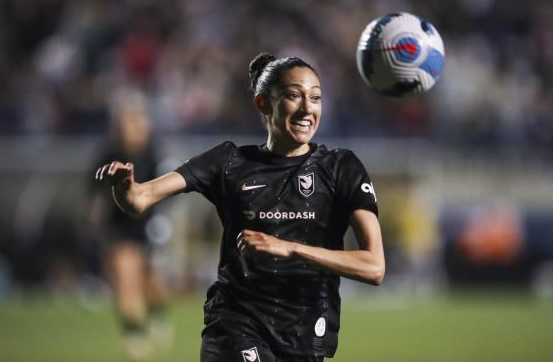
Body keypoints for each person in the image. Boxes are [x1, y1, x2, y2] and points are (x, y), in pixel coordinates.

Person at [95, 53, 385, 361]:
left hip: (305, 336)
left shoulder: (342, 168)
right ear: (263, 104)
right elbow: (139, 199)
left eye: (315, 98)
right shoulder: (229, 162)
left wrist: (290, 248)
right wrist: (125, 187)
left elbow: (374, 266)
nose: (307, 108)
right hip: (236, 327)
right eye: (293, 96)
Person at [89, 90, 171, 360]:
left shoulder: (154, 153)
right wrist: (96, 213)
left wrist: (160, 220)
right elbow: (94, 189)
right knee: (126, 276)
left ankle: (158, 315)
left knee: (152, 281)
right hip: (119, 225)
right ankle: (134, 334)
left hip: (148, 224)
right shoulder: (108, 154)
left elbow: (169, 189)